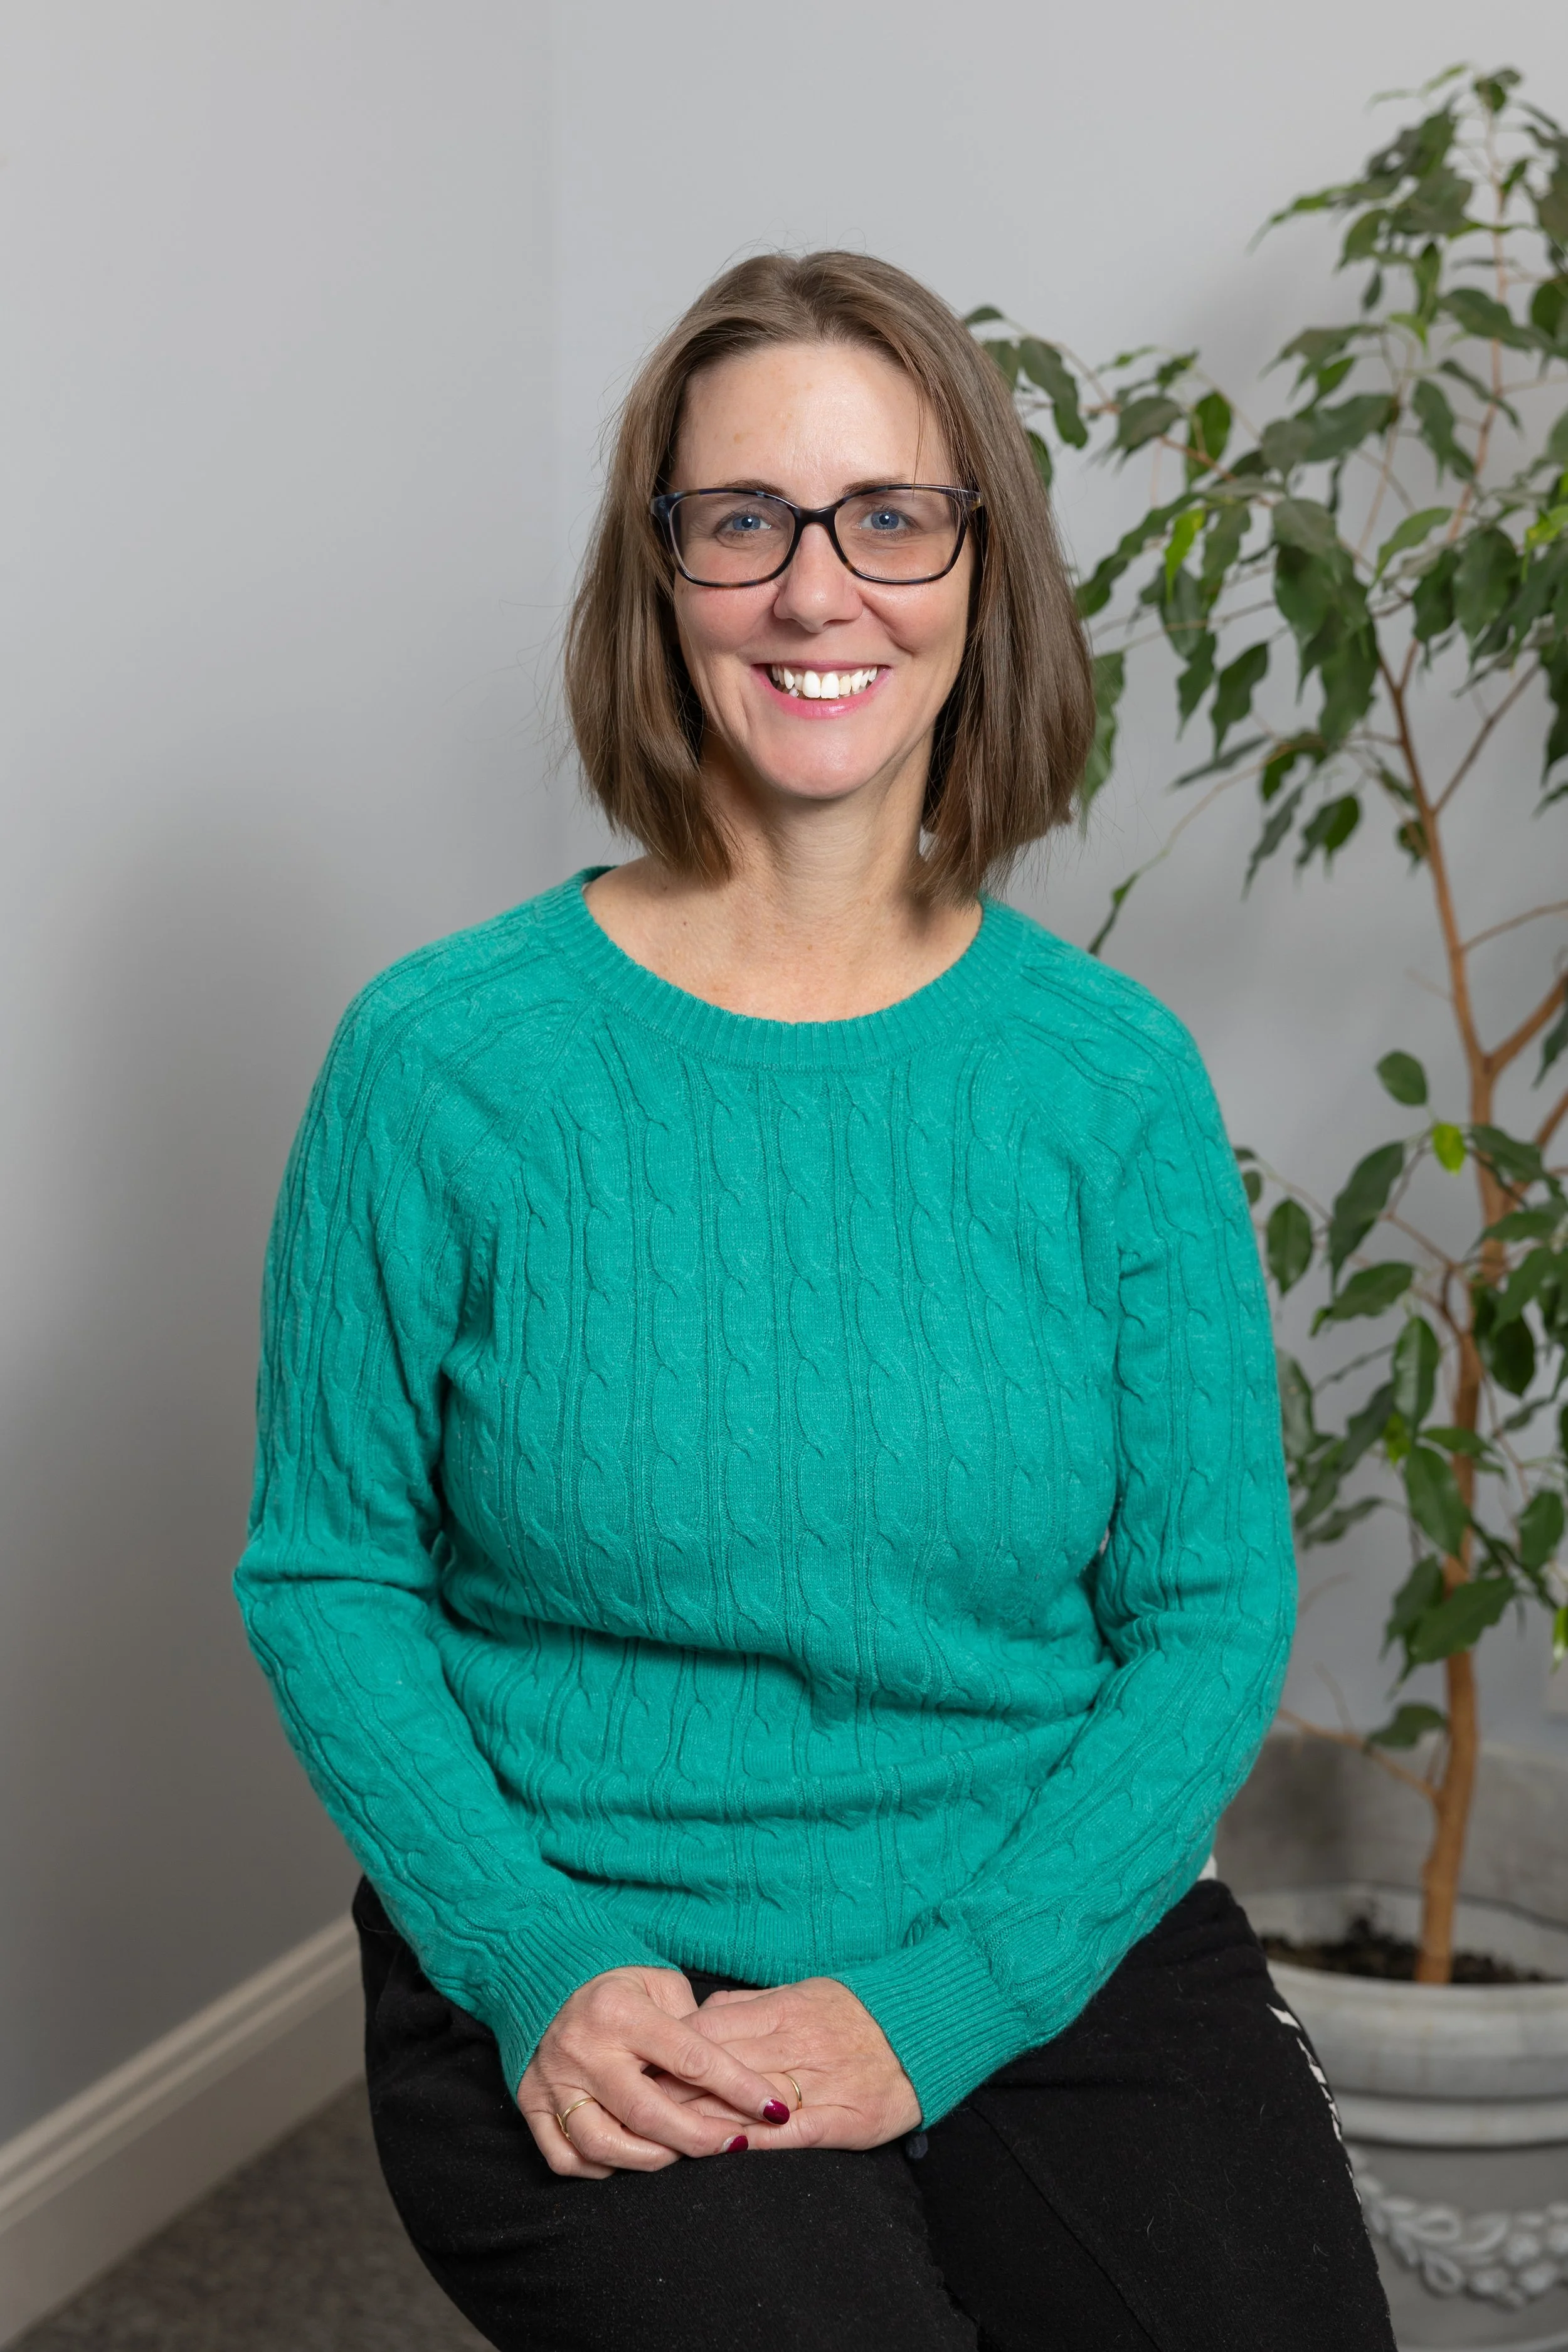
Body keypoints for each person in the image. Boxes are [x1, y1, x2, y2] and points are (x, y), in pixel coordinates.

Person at [234, 250, 1396, 2351]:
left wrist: (944, 1999)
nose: (813, 589)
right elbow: (325, 1568)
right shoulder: (442, 1064)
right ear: (656, 573)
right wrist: (526, 1950)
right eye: (738, 520)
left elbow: (1211, 1604)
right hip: (599, 1956)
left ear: (979, 569)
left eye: (889, 514)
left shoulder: (1106, 1080)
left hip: (1041, 1918)